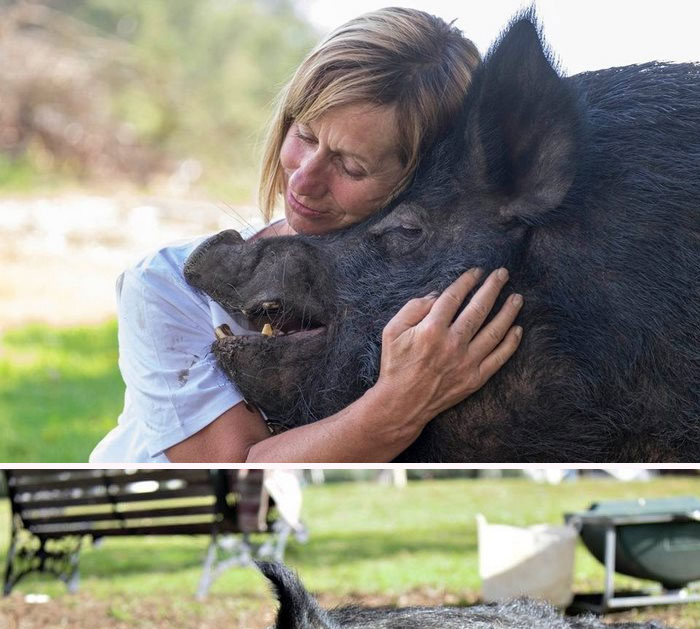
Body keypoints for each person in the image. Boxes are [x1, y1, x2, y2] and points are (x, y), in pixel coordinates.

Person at [90, 7, 523, 464]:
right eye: (306, 136)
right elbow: (234, 469)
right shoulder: (165, 285)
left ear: (419, 183)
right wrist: (401, 403)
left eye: (351, 166)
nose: (302, 181)